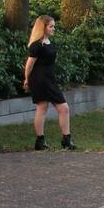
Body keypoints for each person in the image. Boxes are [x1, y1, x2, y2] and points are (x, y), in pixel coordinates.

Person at [23, 15, 75, 151]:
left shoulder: (48, 42)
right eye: (51, 26)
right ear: (43, 27)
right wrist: (27, 79)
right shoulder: (36, 45)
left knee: (60, 109)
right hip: (40, 80)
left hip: (49, 78)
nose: (53, 29)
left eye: (54, 26)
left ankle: (63, 140)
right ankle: (44, 141)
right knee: (49, 107)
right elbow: (29, 65)